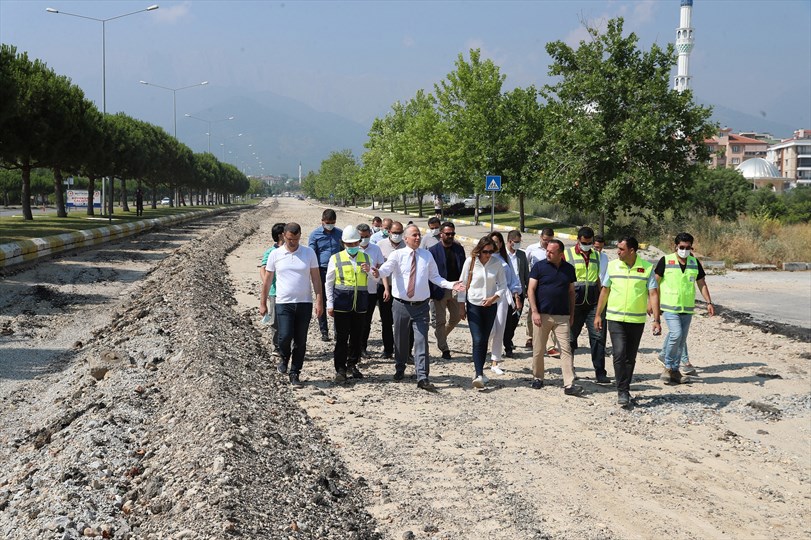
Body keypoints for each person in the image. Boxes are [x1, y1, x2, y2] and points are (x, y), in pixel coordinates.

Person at [373, 224, 465, 391]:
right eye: (414, 235)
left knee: (422, 341)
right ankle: (400, 368)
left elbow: (435, 277)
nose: (417, 238)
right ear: (406, 238)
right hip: (401, 305)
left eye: (419, 235)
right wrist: (375, 272)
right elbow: (384, 271)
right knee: (400, 340)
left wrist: (451, 285)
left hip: (422, 306)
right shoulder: (397, 255)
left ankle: (422, 376)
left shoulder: (427, 256)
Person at [595, 236, 661, 407]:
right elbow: (605, 291)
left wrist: (656, 319)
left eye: (621, 249)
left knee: (630, 357)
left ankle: (626, 386)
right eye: (618, 248)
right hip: (615, 318)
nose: (618, 251)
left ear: (632, 251)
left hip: (636, 320)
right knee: (619, 353)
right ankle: (622, 391)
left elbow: (653, 293)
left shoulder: (646, 268)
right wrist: (597, 315)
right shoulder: (612, 266)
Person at [260, 222, 323, 386]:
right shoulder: (276, 254)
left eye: (295, 239)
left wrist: (319, 301)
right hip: (283, 303)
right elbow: (267, 281)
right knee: (285, 336)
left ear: (300, 236)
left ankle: (295, 372)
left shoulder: (309, 253)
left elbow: (316, 278)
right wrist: (263, 303)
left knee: (301, 340)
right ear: (283, 237)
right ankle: (284, 356)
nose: (292, 242)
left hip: (304, 303)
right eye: (289, 239)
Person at [526, 240, 584, 396]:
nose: (548, 253)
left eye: (551, 252)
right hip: (542, 315)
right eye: (547, 251)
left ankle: (569, 383)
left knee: (566, 349)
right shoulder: (539, 267)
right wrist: (534, 311)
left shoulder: (569, 269)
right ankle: (538, 377)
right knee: (538, 349)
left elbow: (571, 293)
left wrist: (572, 314)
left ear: (560, 254)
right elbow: (531, 290)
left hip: (562, 316)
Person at [655, 232, 715, 380]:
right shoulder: (666, 260)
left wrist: (709, 302)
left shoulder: (694, 263)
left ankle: (675, 370)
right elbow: (654, 283)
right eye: (682, 247)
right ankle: (668, 366)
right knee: (676, 334)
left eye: (688, 247)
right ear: (676, 246)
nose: (685, 250)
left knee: (681, 340)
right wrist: (652, 304)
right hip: (669, 307)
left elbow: (701, 284)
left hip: (687, 309)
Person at [458, 236, 506, 390]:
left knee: (484, 339)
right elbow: (462, 284)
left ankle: (481, 373)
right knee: (477, 339)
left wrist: (494, 298)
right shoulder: (470, 262)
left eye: (491, 252)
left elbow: (503, 286)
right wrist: (461, 306)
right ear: (479, 250)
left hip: (490, 306)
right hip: (474, 305)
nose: (488, 254)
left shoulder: (496, 264)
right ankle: (478, 374)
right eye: (485, 251)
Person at [326, 226, 372, 382]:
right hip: (341, 304)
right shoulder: (336, 258)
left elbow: (375, 279)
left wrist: (370, 271)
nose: (352, 247)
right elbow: (329, 282)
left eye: (355, 244)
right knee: (341, 338)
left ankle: (352, 364)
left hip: (360, 304)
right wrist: (329, 304)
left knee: (357, 337)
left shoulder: (365, 258)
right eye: (349, 244)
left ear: (359, 242)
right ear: (343, 243)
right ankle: (340, 369)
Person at [564, 227, 610, 384]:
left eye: (590, 243)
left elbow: (598, 279)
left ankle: (600, 372)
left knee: (598, 337)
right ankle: (569, 370)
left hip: (592, 303)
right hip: (574, 303)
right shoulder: (567, 254)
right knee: (569, 338)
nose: (587, 245)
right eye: (584, 243)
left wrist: (601, 304)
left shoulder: (597, 256)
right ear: (578, 240)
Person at [428, 222, 465, 359]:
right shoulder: (433, 251)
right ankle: (444, 348)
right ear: (441, 234)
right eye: (447, 234)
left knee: (456, 317)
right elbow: (430, 274)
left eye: (452, 234)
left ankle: (440, 335)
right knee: (440, 320)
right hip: (440, 289)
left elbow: (464, 269)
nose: (450, 236)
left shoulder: (459, 249)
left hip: (456, 289)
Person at [487, 231, 523, 375]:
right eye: (492, 242)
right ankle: (480, 353)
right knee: (490, 330)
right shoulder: (483, 258)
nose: (495, 244)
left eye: (497, 242)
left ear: (501, 243)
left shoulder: (505, 259)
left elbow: (514, 280)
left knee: (500, 330)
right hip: (487, 297)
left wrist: (516, 296)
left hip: (502, 298)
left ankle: (495, 361)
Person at [308, 209, 342, 341]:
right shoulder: (315, 235)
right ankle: (324, 331)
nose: (330, 225)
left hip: (338, 271)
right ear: (322, 221)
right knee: (321, 299)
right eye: (328, 222)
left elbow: (344, 250)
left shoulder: (340, 234)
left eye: (332, 223)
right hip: (321, 270)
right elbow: (311, 254)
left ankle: (337, 330)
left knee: (337, 299)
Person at [376, 221, 405, 358]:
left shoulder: (406, 246)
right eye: (395, 233)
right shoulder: (380, 245)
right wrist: (386, 288)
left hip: (402, 289)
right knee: (386, 320)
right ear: (389, 232)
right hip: (385, 287)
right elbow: (380, 268)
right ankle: (388, 349)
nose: (397, 235)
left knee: (403, 322)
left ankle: (404, 351)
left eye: (400, 233)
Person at [357, 223, 387, 359]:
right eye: (361, 237)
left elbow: (381, 270)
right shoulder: (352, 249)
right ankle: (354, 348)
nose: (364, 239)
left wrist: (386, 287)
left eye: (366, 236)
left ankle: (363, 347)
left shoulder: (375, 249)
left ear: (370, 235)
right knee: (355, 321)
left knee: (366, 321)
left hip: (371, 290)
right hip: (355, 290)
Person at [523, 227, 555, 350]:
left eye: (550, 240)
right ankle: (530, 336)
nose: (547, 243)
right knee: (533, 310)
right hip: (535, 284)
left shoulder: (555, 249)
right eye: (546, 240)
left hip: (550, 285)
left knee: (550, 312)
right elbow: (525, 267)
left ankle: (548, 340)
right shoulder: (532, 249)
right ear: (541, 237)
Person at [259, 222, 287, 358]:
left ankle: (289, 345)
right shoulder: (271, 252)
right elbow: (263, 268)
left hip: (288, 292)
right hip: (275, 292)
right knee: (276, 321)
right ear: (281, 235)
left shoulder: (291, 250)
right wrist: (266, 284)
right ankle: (276, 345)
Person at [503, 230, 529, 358]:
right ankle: (507, 345)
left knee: (515, 320)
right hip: (506, 293)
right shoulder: (502, 255)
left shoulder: (522, 255)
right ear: (509, 241)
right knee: (506, 320)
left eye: (519, 242)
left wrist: (528, 289)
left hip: (520, 292)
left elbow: (526, 274)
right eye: (516, 242)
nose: (518, 244)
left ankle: (508, 338)